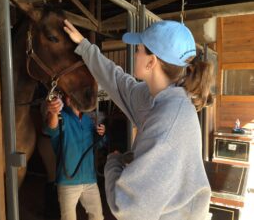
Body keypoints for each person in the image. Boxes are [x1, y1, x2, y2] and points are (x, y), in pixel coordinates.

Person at [63, 19, 213, 220]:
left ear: (151, 62)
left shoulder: (168, 121)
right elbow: (117, 82)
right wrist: (84, 46)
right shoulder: (156, 96)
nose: (135, 54)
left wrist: (113, 162)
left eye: (139, 49)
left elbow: (126, 207)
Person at [43, 95, 106, 220]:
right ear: (67, 100)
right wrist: (53, 111)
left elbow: (98, 144)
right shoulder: (62, 117)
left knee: (98, 216)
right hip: (68, 182)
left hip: (90, 180)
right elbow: (52, 127)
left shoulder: (88, 119)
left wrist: (102, 134)